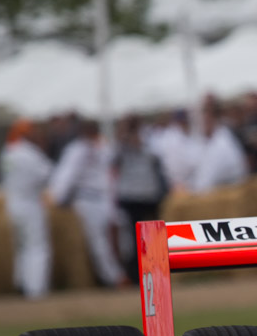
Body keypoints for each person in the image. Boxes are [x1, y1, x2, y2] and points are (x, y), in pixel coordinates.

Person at [49, 119, 127, 288]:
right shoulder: (82, 149)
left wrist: (58, 198)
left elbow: (67, 177)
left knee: (107, 240)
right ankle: (116, 278)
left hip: (102, 199)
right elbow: (68, 176)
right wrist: (59, 198)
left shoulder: (99, 147)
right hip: (89, 199)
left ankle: (117, 277)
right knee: (100, 242)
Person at [0, 119, 53, 299]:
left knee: (21, 247)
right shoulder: (29, 153)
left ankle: (22, 284)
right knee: (37, 247)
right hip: (30, 204)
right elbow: (47, 173)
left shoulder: (7, 151)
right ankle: (36, 290)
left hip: (12, 204)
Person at [114, 115, 169, 282]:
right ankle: (136, 276)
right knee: (133, 238)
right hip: (130, 197)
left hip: (149, 195)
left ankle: (158, 271)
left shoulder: (149, 138)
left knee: (154, 235)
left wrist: (141, 144)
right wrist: (123, 139)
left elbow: (158, 156)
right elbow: (111, 160)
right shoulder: (120, 143)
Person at [191, 101, 247, 192]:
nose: (201, 125)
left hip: (225, 195)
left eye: (205, 121)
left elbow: (204, 184)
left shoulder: (221, 143)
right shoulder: (220, 138)